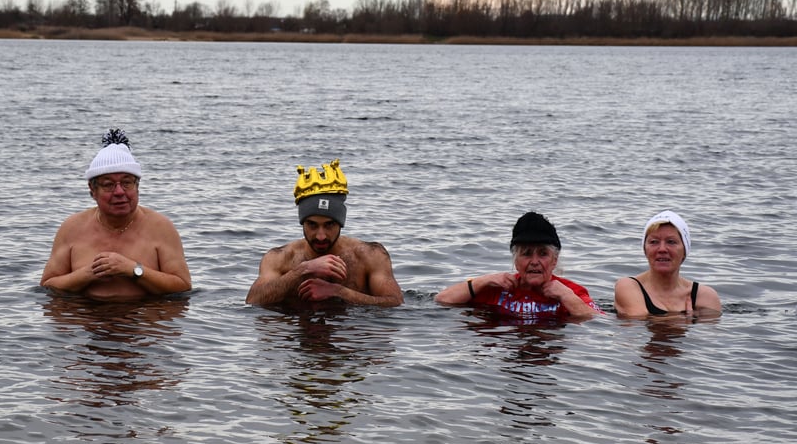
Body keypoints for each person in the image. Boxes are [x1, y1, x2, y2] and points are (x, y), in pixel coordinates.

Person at [40, 129, 191, 300]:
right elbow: (47, 285)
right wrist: (87, 274)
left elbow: (183, 286)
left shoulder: (160, 227)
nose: (119, 192)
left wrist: (133, 269)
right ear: (93, 190)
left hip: (145, 314)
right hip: (85, 314)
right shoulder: (72, 228)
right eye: (108, 185)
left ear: (137, 186)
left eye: (127, 183)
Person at [246, 159, 403, 308]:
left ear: (340, 223)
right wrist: (302, 270)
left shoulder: (370, 256)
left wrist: (339, 292)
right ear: (302, 223)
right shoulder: (279, 259)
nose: (320, 236)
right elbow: (253, 301)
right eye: (312, 225)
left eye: (329, 225)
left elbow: (395, 303)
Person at [435, 211, 601, 319]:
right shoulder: (496, 288)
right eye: (526, 254)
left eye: (543, 254)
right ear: (515, 260)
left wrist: (566, 296)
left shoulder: (572, 292)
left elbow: (597, 321)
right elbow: (442, 300)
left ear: (554, 260)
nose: (534, 261)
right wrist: (483, 281)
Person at [613, 210, 721, 317]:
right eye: (654, 242)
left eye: (671, 242)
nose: (662, 249)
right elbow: (638, 319)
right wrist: (684, 320)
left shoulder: (705, 296)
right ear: (645, 250)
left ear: (684, 251)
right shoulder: (628, 286)